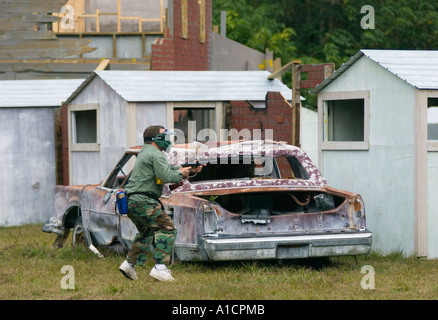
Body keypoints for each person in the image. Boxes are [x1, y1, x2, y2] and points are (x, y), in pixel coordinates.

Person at [118, 125, 202, 281]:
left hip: (131, 201)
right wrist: (180, 173)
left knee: (147, 232)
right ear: (156, 139)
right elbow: (167, 175)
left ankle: (130, 265)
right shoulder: (156, 154)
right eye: (165, 136)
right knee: (168, 228)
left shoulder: (146, 152)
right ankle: (160, 267)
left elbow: (166, 169)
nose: (168, 139)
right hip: (143, 201)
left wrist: (188, 170)